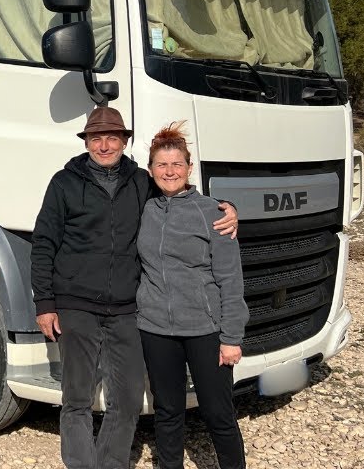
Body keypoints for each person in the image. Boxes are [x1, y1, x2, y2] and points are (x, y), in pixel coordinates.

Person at [31, 106, 237, 469]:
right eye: (97, 138)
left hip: (127, 308)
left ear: (125, 142)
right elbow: (44, 242)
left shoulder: (141, 181)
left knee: (126, 400)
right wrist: (45, 303)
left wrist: (228, 208)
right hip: (76, 305)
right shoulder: (63, 183)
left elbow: (179, 195)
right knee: (77, 397)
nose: (105, 145)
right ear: (87, 143)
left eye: (113, 138)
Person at [137, 121, 248, 469]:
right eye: (161, 165)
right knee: (168, 412)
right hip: (155, 328)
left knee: (218, 413)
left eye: (176, 165)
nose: (169, 171)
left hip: (205, 329)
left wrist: (231, 337)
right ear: (151, 169)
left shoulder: (214, 212)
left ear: (189, 168)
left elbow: (231, 279)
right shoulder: (143, 208)